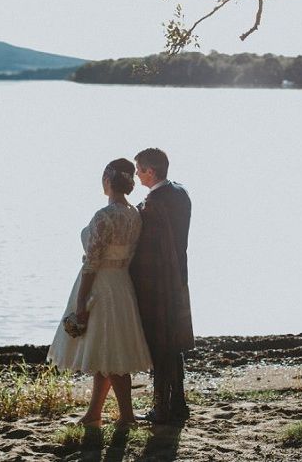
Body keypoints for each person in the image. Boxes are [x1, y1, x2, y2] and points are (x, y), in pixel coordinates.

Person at [47, 158, 152, 427]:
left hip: (101, 284)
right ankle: (94, 414)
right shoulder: (134, 215)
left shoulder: (104, 216)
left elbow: (91, 261)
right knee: (107, 352)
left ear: (107, 181)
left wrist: (81, 301)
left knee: (111, 353)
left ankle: (127, 416)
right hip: (121, 283)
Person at [130, 148, 194, 424]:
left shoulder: (153, 203)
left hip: (157, 283)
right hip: (179, 276)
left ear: (150, 171)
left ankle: (161, 409)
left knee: (159, 345)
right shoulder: (181, 193)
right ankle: (178, 403)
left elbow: (147, 251)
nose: (136, 174)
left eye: (139, 169)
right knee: (175, 343)